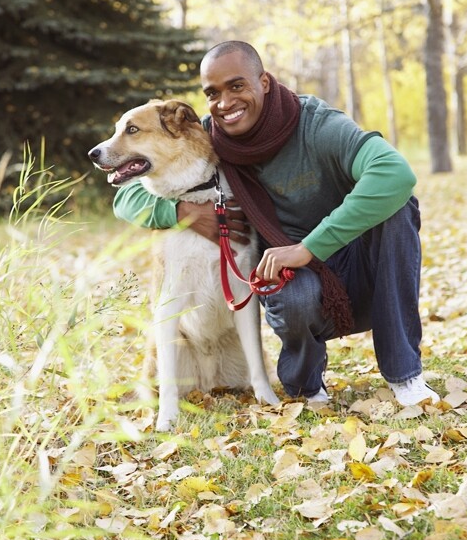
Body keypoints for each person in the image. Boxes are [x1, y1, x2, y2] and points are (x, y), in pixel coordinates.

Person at [113, 41, 440, 408]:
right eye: (212, 93)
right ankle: (306, 385)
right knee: (288, 290)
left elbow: (395, 174)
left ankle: (404, 374)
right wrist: (182, 213)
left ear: (264, 82)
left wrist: (308, 248)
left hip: (363, 274)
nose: (225, 103)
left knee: (396, 208)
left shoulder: (316, 124)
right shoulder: (208, 138)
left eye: (237, 86)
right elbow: (125, 198)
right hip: (295, 286)